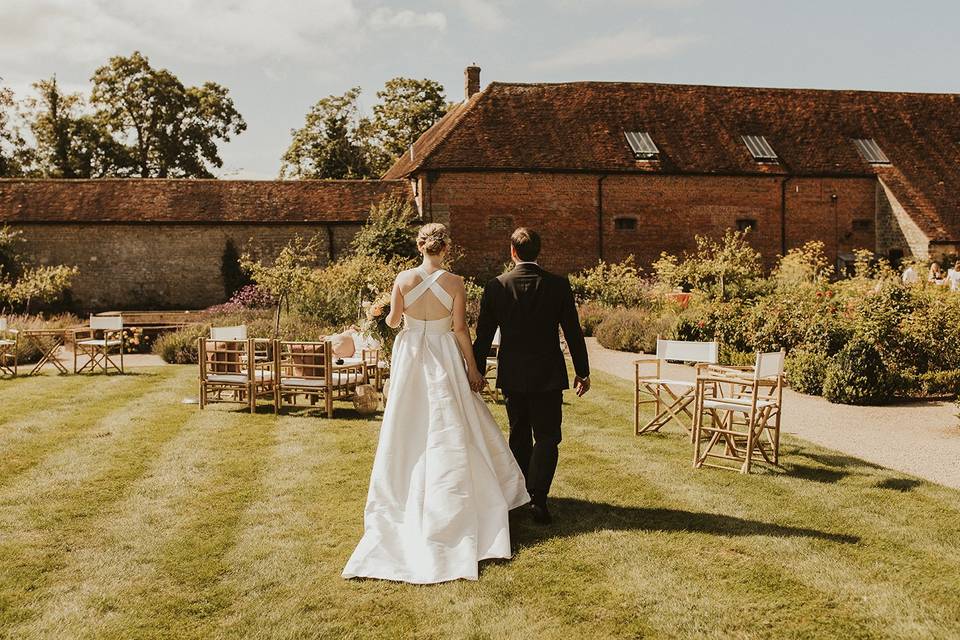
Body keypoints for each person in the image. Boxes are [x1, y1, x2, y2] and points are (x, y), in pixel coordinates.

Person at [342, 224, 528, 584]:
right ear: (446, 247)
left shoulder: (404, 278)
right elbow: (460, 330)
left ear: (419, 245)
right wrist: (472, 367)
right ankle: (462, 496)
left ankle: (406, 490)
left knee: (409, 423)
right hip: (443, 353)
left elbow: (395, 322)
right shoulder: (455, 283)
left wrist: (381, 310)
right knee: (453, 420)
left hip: (412, 354)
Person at [472, 228, 590, 526]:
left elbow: (483, 335)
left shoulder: (496, 286)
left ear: (512, 251)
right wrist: (583, 371)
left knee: (519, 433)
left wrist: (475, 371)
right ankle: (538, 497)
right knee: (548, 436)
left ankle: (520, 494)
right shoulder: (558, 285)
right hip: (548, 373)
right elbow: (573, 332)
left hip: (512, 372)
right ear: (539, 251)